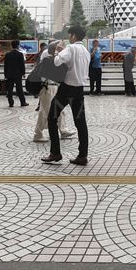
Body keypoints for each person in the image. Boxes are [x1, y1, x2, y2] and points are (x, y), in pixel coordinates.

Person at [41, 25, 90, 166]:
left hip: (66, 89)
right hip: (79, 91)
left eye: (70, 35)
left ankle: (55, 153)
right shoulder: (86, 51)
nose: (69, 37)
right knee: (81, 123)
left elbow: (57, 62)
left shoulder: (71, 48)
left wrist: (58, 51)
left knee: (52, 117)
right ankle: (82, 156)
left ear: (73, 35)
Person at [33, 40, 76, 143]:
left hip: (53, 87)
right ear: (54, 49)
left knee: (59, 110)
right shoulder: (48, 58)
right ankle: (37, 134)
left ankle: (63, 130)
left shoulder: (53, 57)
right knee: (44, 111)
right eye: (59, 47)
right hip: (47, 88)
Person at [3, 40, 28, 107]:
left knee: (10, 89)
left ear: (12, 46)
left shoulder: (7, 55)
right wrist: (23, 73)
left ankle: (11, 103)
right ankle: (22, 102)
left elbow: (5, 65)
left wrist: (5, 74)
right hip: (18, 74)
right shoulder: (20, 54)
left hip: (9, 74)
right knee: (19, 88)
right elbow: (22, 65)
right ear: (18, 46)